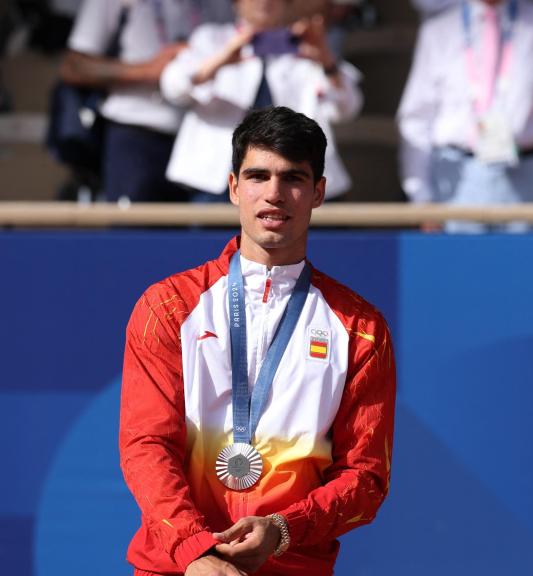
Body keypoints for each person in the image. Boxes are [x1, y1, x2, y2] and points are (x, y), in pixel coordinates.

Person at [119, 107, 395, 575]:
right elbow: (146, 444)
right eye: (257, 176)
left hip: (292, 565)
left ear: (318, 192)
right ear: (232, 188)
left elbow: (365, 477)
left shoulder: (360, 327)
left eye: (292, 178)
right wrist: (195, 551)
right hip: (177, 567)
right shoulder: (167, 306)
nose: (273, 194)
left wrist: (284, 529)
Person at [396, 0, 533, 232]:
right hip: (459, 176)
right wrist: (423, 198)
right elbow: (417, 119)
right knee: (462, 266)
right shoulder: (438, 31)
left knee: (530, 265)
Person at [160, 0, 363, 202]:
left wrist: (324, 59)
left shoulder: (305, 45)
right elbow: (173, 87)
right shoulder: (211, 39)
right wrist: (221, 59)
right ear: (236, 3)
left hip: (293, 178)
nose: (264, 1)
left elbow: (347, 108)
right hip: (216, 179)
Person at [61, 0, 234, 203]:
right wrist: (148, 70)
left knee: (205, 231)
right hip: (137, 134)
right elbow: (73, 66)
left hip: (207, 136)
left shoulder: (223, 5)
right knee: (136, 230)